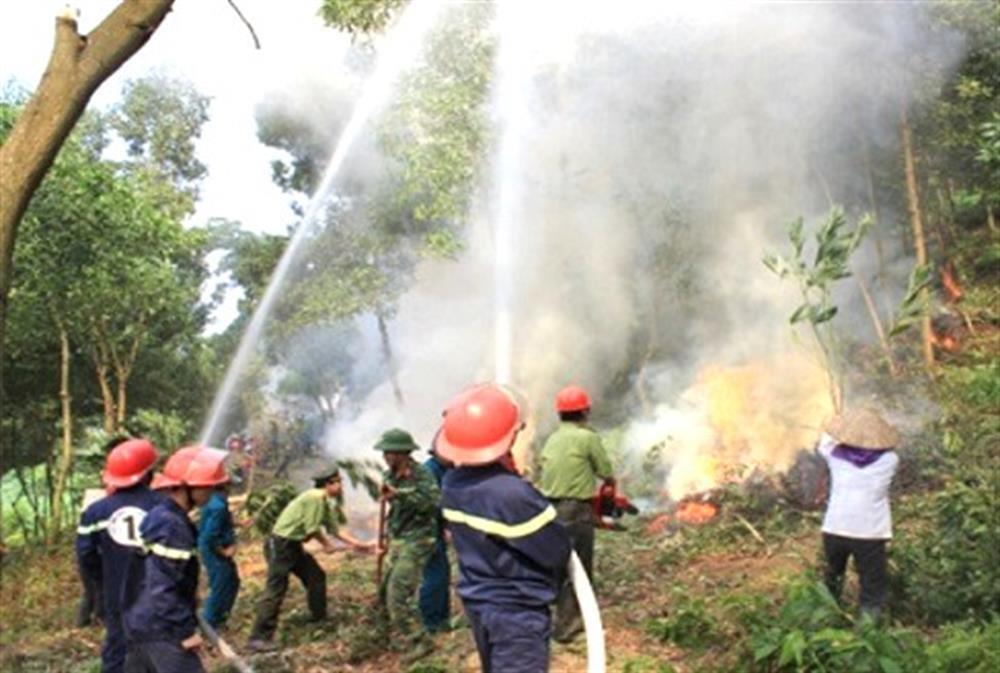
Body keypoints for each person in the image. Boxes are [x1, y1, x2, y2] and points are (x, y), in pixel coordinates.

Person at [436, 383, 572, 673]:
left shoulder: (452, 484)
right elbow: (556, 550)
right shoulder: (510, 495)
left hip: (479, 603)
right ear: (508, 438)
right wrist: (521, 490)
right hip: (517, 613)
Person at [121, 445, 230, 673]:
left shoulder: (164, 515)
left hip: (142, 622)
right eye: (207, 485)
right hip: (162, 628)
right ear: (185, 487)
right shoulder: (171, 525)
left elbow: (167, 575)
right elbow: (161, 586)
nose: (212, 490)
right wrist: (185, 631)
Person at [247, 468, 373, 651]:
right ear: (329, 484)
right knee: (276, 589)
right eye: (339, 482)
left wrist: (360, 544)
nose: (342, 486)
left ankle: (318, 617)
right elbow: (312, 529)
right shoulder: (315, 498)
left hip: (293, 545)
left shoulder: (325, 501)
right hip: (281, 545)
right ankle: (258, 638)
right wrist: (326, 545)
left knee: (316, 576)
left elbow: (334, 530)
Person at [76, 438, 163, 673]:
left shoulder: (95, 512)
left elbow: (85, 555)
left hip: (116, 591)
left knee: (117, 648)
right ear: (148, 473)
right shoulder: (164, 507)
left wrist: (101, 580)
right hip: (158, 593)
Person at [538, 385, 615, 643]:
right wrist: (610, 485)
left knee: (558, 565)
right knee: (579, 566)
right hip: (574, 510)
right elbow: (605, 471)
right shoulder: (587, 438)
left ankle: (553, 620)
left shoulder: (552, 438)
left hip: (549, 509)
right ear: (585, 411)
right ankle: (568, 628)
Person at [817, 407, 900, 621]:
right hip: (869, 532)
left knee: (832, 580)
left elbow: (826, 437)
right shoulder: (890, 460)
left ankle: (827, 622)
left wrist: (842, 424)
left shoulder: (834, 455)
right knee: (871, 588)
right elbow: (894, 444)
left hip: (835, 527)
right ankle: (867, 633)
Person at [374, 428, 440, 660]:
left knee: (398, 592)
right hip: (398, 538)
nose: (385, 457)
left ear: (403, 453)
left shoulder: (422, 475)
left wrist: (399, 494)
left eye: (389, 453)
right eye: (384, 453)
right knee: (384, 591)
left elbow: (431, 503)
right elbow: (390, 505)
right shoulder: (388, 475)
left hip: (419, 539)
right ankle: (382, 634)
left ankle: (420, 641)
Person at [198, 474, 240, 630]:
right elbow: (210, 535)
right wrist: (224, 551)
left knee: (232, 582)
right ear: (225, 486)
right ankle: (209, 624)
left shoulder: (217, 502)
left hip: (212, 547)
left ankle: (221, 618)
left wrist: (239, 523)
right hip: (213, 550)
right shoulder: (218, 506)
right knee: (220, 585)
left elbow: (222, 522)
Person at [418, 442, 452, 633]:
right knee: (434, 576)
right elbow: (434, 503)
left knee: (442, 574)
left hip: (435, 529)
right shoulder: (429, 472)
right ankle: (431, 623)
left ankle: (442, 620)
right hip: (426, 532)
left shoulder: (444, 468)